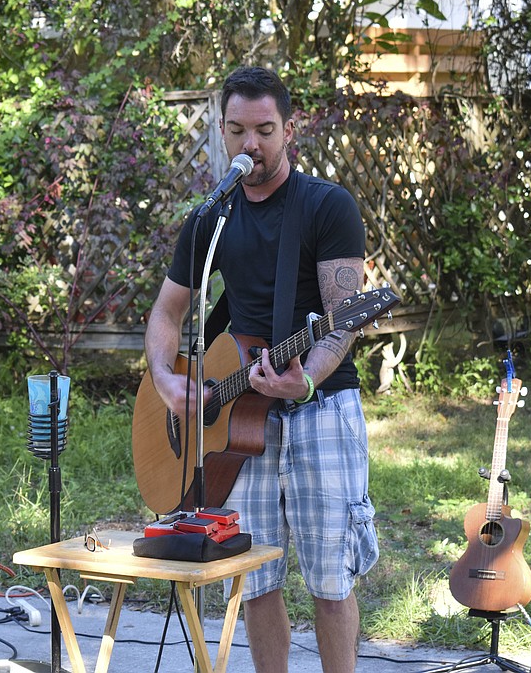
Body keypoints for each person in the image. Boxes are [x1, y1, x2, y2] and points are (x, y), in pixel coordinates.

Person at [144, 66, 379, 673]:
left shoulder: (326, 206)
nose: (251, 144)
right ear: (222, 131)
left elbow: (343, 320)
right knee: (254, 579)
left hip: (320, 409)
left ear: (288, 130)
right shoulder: (212, 217)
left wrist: (307, 378)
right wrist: (168, 381)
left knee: (330, 580)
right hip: (238, 424)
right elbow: (167, 312)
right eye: (238, 130)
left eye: (265, 130)